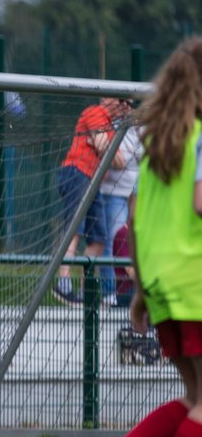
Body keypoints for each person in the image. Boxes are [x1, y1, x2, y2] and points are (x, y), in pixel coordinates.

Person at [82, 37, 202, 437]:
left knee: (196, 400)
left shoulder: (160, 145)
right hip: (195, 283)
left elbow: (136, 217)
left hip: (164, 283)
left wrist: (141, 289)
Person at [53, 97, 132, 304]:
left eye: (129, 103)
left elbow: (119, 161)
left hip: (93, 181)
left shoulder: (112, 129)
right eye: (122, 100)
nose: (125, 107)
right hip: (76, 173)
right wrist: (104, 147)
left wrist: (104, 146)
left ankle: (84, 290)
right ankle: (63, 282)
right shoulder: (96, 112)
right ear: (106, 98)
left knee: (99, 238)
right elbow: (104, 147)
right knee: (74, 229)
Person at [95, 120, 143, 302]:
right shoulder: (124, 232)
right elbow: (129, 269)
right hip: (132, 294)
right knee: (113, 240)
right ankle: (109, 293)